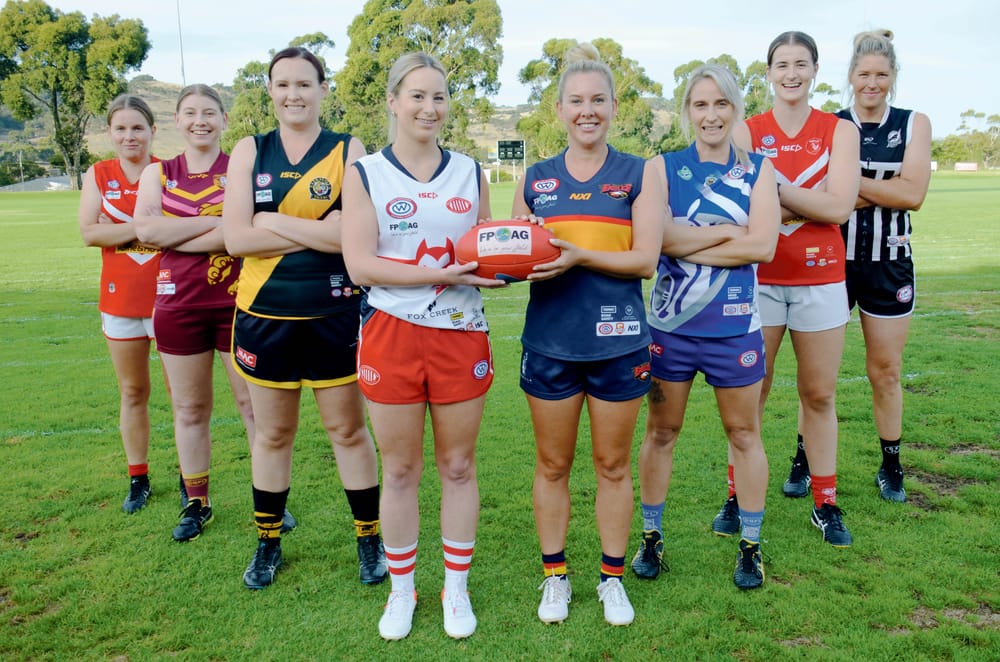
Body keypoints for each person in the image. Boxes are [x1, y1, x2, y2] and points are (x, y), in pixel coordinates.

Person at [341, 51, 504, 641]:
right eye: (417, 96)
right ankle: (402, 591)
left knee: (458, 466)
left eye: (439, 97)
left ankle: (454, 590)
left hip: (460, 334)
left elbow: (486, 252)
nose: (429, 108)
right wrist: (448, 274)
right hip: (391, 333)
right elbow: (360, 266)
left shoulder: (469, 171)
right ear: (392, 101)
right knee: (402, 468)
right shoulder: (364, 173)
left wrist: (506, 266)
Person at [222, 47, 386, 590]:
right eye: (282, 84)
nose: (293, 94)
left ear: (322, 89)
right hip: (264, 316)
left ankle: (369, 539)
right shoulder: (250, 149)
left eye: (304, 84)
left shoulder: (347, 149)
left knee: (347, 429)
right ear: (269, 89)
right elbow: (235, 238)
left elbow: (354, 238)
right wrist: (318, 229)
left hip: (334, 314)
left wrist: (270, 219)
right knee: (273, 435)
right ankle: (267, 541)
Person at [511, 43, 662, 626]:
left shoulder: (638, 173)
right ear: (559, 109)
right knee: (552, 466)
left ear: (614, 106)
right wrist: (514, 247)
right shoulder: (535, 180)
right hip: (549, 343)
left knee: (613, 466)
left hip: (620, 344)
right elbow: (512, 257)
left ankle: (611, 578)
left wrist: (579, 256)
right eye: (576, 101)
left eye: (598, 99)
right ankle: (555, 578)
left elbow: (646, 259)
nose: (587, 110)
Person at [631, 65, 779, 590]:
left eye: (721, 104)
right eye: (700, 105)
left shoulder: (759, 171)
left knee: (744, 433)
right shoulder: (662, 168)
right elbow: (657, 242)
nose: (711, 115)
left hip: (735, 330)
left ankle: (751, 546)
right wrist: (726, 231)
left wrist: (691, 234)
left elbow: (763, 245)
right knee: (662, 432)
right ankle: (651, 537)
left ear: (735, 108)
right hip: (669, 329)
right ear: (687, 110)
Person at [730, 31, 860, 547]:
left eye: (800, 64)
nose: (791, 73)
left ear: (815, 70)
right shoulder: (745, 131)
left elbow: (840, 208)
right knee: (749, 397)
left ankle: (825, 502)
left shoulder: (838, 130)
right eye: (781, 64)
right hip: (758, 278)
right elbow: (744, 211)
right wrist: (810, 199)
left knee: (820, 394)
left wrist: (776, 192)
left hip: (821, 276)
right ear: (767, 73)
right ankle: (737, 495)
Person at [133, 84, 255, 542]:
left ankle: (270, 498)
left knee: (252, 407)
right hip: (178, 304)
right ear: (177, 121)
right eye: (190, 112)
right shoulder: (158, 174)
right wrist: (220, 228)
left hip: (240, 302)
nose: (200, 120)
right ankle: (196, 501)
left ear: (224, 119)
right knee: (189, 408)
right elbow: (145, 230)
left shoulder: (242, 170)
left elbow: (245, 234)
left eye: (209, 112)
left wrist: (176, 233)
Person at [834, 30, 931, 504]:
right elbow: (825, 199)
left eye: (881, 75)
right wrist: (885, 181)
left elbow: (913, 195)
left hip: (889, 266)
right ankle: (805, 459)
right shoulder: (832, 125)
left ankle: (890, 465)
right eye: (864, 73)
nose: (872, 83)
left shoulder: (914, 123)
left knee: (885, 370)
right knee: (820, 375)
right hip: (831, 262)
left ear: (893, 78)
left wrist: (853, 184)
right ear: (850, 76)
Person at [78, 95, 162, 514]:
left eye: (137, 128)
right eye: (121, 129)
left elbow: (177, 231)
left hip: (168, 297)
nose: (130, 136)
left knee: (185, 400)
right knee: (133, 391)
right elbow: (90, 233)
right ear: (110, 133)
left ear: (152, 131)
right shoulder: (99, 173)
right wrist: (146, 228)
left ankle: (192, 484)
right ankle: (138, 478)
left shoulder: (168, 172)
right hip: (120, 298)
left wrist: (119, 229)